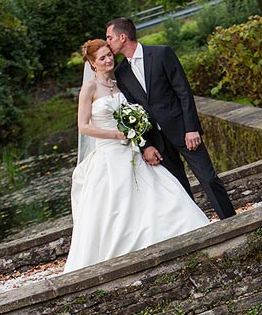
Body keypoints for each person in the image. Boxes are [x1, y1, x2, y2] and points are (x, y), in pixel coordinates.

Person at [64, 39, 210, 274]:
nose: (108, 60)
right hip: (108, 152)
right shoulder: (89, 89)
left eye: (109, 55)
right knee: (116, 203)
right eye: (101, 58)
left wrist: (138, 135)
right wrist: (113, 134)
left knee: (159, 188)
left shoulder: (118, 82)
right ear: (92, 63)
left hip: (131, 148)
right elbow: (83, 127)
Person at [106, 17, 236, 220]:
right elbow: (131, 111)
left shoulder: (161, 53)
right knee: (179, 191)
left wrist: (191, 128)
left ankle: (232, 221)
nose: (108, 42)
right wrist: (146, 145)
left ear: (122, 37)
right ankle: (198, 230)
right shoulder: (120, 73)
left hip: (184, 131)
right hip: (157, 141)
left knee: (209, 179)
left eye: (109, 37)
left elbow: (183, 92)